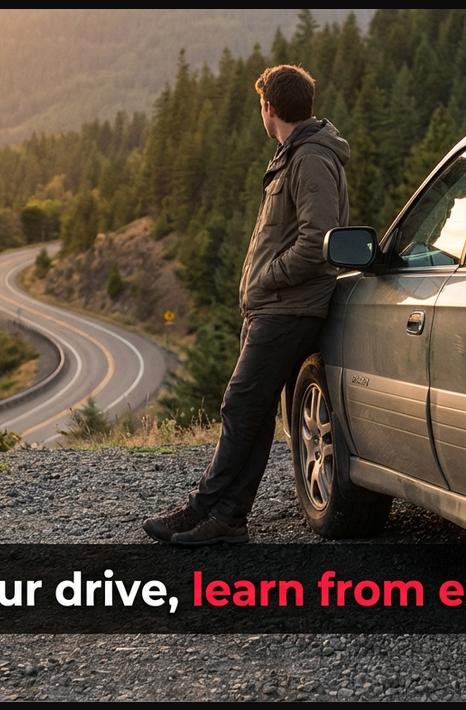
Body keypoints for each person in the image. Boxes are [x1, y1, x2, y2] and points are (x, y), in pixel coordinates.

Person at [143, 64, 350, 546]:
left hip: (289, 306)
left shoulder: (310, 158)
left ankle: (201, 510)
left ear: (269, 108)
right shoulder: (294, 154)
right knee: (253, 412)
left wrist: (267, 278)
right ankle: (228, 519)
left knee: (240, 404)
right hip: (276, 305)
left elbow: (318, 239)